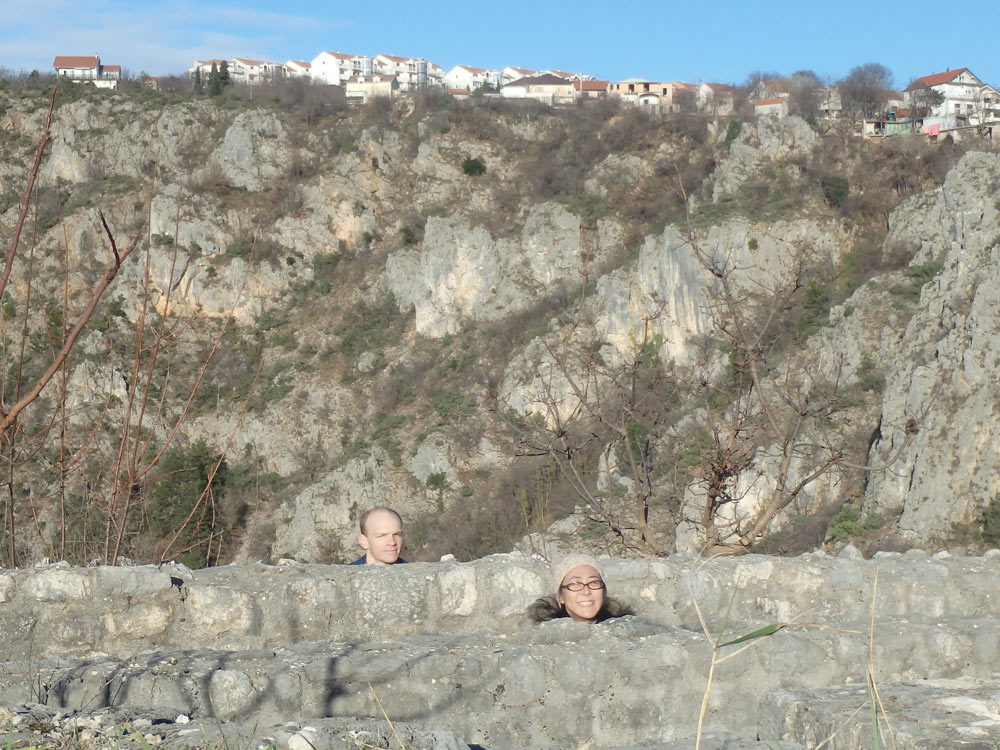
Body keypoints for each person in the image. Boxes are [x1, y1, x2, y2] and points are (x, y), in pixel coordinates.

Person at [527, 553, 633, 623]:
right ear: (561, 597)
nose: (586, 591)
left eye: (594, 582)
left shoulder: (626, 626)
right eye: (575, 584)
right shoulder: (545, 636)